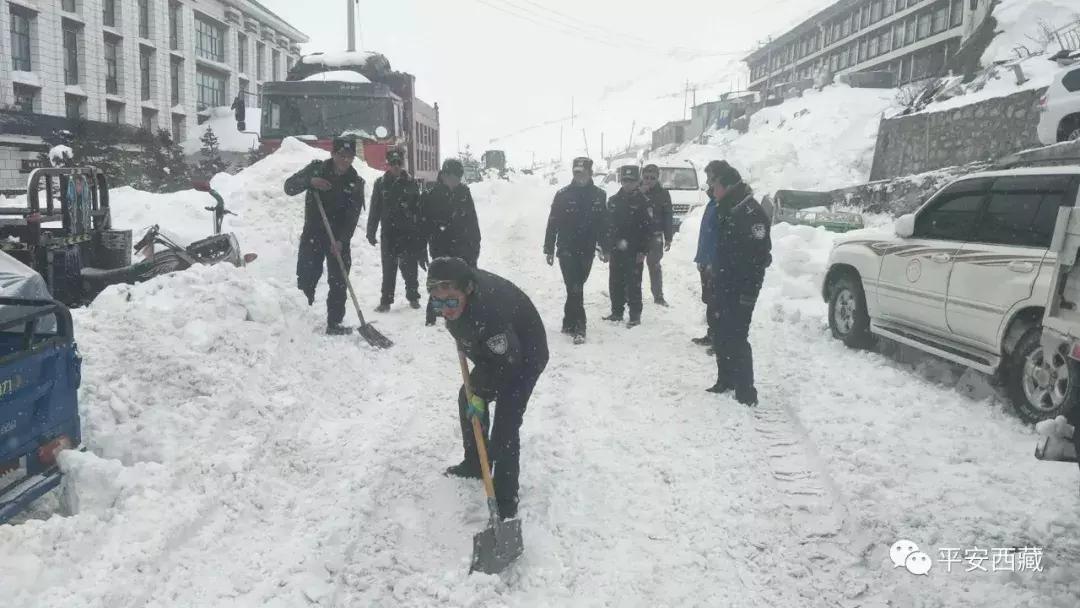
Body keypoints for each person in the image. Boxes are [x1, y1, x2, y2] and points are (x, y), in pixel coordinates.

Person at [429, 256, 549, 521]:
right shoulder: (453, 293)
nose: (445, 309)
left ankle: (506, 502)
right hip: (494, 349)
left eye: (451, 302)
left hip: (524, 356)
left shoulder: (489, 313)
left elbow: (509, 363)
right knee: (467, 397)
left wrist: (482, 393)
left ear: (468, 290)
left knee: (506, 424)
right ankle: (475, 463)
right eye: (438, 302)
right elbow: (449, 310)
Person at [283, 136, 365, 335]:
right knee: (307, 276)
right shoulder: (316, 169)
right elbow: (289, 187)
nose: (345, 160)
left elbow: (353, 216)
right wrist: (310, 181)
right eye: (341, 155)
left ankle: (334, 322)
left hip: (338, 236)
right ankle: (301, 318)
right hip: (314, 233)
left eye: (349, 156)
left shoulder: (356, 181)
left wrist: (342, 241)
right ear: (333, 154)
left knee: (339, 280)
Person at [706, 161, 772, 406]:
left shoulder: (751, 213)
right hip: (724, 281)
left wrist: (748, 292)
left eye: (715, 186)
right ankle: (726, 380)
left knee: (737, 335)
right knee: (721, 331)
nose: (712, 190)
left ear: (727, 186)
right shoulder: (728, 206)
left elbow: (759, 256)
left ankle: (746, 392)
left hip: (742, 287)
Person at [543, 156, 608, 344]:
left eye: (583, 173)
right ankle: (580, 327)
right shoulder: (563, 194)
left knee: (576, 286)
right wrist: (549, 248)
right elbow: (553, 222)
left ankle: (568, 320)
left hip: (587, 249)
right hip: (566, 249)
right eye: (576, 173)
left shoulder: (599, 195)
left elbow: (604, 224)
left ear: (590, 173)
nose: (579, 176)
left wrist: (605, 247)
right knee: (575, 286)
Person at [420, 159, 482, 326]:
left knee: (463, 278)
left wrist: (475, 244)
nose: (456, 181)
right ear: (445, 176)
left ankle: (463, 310)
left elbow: (472, 220)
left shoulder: (464, 192)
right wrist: (421, 249)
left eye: (459, 178)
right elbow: (424, 223)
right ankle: (433, 314)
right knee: (439, 279)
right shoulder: (432, 194)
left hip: (463, 244)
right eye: (454, 177)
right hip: (440, 244)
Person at [367, 147, 424, 313]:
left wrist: (412, 216)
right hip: (389, 233)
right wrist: (371, 231)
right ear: (388, 164)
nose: (396, 166)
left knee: (409, 267)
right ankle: (386, 301)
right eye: (393, 163)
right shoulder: (381, 184)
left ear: (403, 163)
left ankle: (413, 297)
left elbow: (418, 209)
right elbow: (375, 209)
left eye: (399, 163)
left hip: (407, 233)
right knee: (389, 268)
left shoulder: (411, 183)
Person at [603, 165, 653, 327]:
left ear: (637, 181)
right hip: (617, 250)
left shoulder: (644, 202)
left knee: (634, 283)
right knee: (615, 281)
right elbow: (608, 227)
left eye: (631, 181)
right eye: (625, 181)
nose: (628, 184)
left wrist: (643, 250)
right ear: (621, 181)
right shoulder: (613, 201)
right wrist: (607, 248)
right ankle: (616, 312)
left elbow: (648, 229)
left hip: (635, 250)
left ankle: (635, 315)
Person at [693, 160, 724, 353]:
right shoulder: (713, 201)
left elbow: (720, 236)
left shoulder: (723, 203)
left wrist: (714, 261)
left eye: (710, 177)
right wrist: (701, 258)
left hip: (717, 262)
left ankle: (720, 341)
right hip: (706, 260)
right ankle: (712, 334)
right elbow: (706, 232)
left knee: (718, 302)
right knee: (710, 301)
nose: (708, 181)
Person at [640, 164, 673, 306]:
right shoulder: (636, 191)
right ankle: (632, 295)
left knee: (654, 265)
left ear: (657, 178)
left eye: (652, 178)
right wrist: (640, 193)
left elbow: (668, 216)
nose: (649, 180)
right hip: (638, 235)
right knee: (634, 266)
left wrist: (669, 237)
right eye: (646, 177)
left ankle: (658, 296)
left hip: (655, 235)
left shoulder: (663, 194)